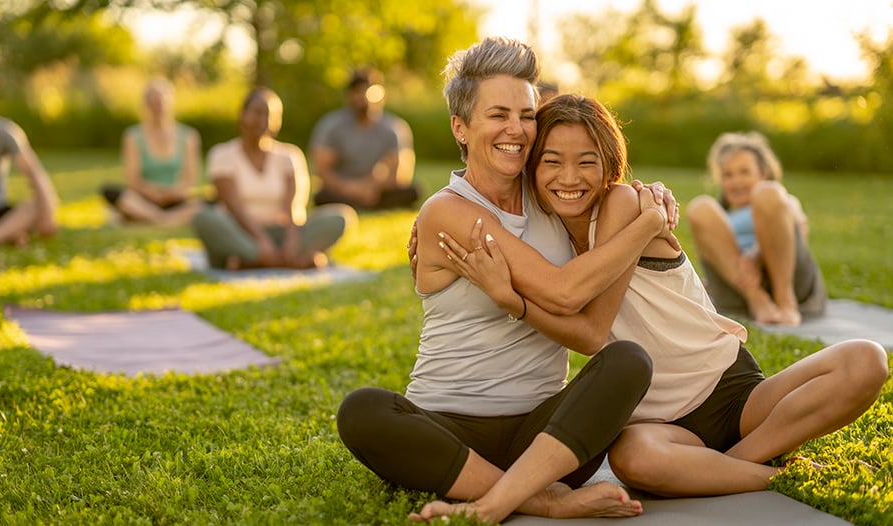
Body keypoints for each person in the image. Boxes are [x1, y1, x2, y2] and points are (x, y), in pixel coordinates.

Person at [437, 93, 889, 498]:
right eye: (551, 161)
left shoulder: (622, 204)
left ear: (611, 166)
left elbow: (590, 326)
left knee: (865, 360)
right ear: (532, 168)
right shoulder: (542, 239)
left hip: (731, 395)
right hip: (657, 426)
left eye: (587, 161)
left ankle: (731, 467)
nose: (568, 177)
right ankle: (773, 474)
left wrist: (514, 302)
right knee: (634, 462)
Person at [337, 37, 680, 524]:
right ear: (461, 126)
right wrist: (649, 224)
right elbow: (564, 291)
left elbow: (596, 176)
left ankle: (512, 492)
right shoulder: (447, 211)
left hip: (547, 439)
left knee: (627, 362)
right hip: (449, 431)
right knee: (362, 410)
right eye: (498, 115)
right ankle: (541, 499)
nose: (516, 130)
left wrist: (650, 195)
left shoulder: (550, 191)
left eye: (527, 114)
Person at [192, 87, 355, 270]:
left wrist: (291, 240)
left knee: (341, 217)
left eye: (270, 115)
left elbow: (293, 206)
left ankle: (253, 261)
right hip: (240, 232)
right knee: (203, 218)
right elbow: (234, 206)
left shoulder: (290, 155)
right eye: (257, 112)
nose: (263, 120)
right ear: (242, 115)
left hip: (282, 233)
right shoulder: (222, 155)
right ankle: (273, 258)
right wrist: (261, 241)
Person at [686, 131, 827, 326]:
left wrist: (755, 257)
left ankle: (784, 301)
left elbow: (800, 233)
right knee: (700, 207)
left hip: (786, 277)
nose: (736, 181)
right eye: (728, 175)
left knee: (767, 193)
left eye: (744, 172)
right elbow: (715, 252)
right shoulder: (721, 216)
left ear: (763, 173)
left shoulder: (779, 200)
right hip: (740, 286)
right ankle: (757, 299)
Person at [309, 67, 421, 210]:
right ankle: (362, 204)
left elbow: (401, 174)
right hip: (343, 189)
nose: (363, 97)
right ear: (349, 95)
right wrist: (349, 188)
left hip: (378, 189)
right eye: (358, 91)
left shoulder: (394, 127)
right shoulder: (332, 125)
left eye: (369, 91)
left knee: (414, 191)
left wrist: (372, 187)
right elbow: (322, 170)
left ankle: (364, 203)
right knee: (322, 196)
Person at [100, 77, 203, 226]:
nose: (158, 106)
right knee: (111, 192)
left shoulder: (188, 136)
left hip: (176, 199)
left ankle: (153, 218)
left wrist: (171, 193)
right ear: (146, 104)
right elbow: (132, 180)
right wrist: (153, 193)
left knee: (209, 203)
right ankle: (166, 219)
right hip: (144, 199)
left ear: (171, 102)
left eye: (161, 101)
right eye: (153, 101)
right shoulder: (133, 136)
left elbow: (190, 181)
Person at [0, 77, 60, 246]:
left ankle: (0, 235)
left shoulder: (4, 131)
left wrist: (47, 213)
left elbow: (34, 172)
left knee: (37, 206)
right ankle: (10, 233)